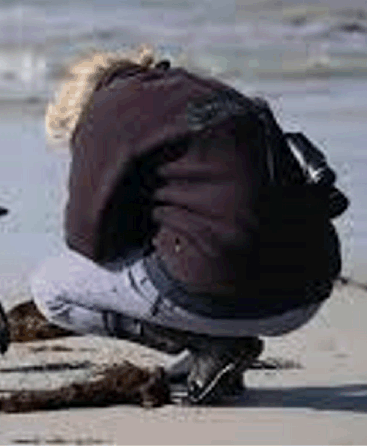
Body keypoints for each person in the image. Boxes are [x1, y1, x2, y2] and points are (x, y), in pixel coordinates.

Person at [29, 46, 345, 405]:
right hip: (305, 293)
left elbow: (88, 241)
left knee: (50, 287)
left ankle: (212, 346)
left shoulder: (105, 113)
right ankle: (214, 346)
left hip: (220, 289)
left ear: (78, 113)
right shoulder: (215, 91)